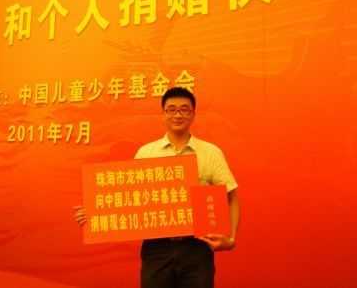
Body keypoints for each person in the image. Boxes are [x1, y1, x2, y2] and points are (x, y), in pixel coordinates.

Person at [74, 87, 240, 288]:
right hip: (157, 248)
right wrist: (96, 212)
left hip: (197, 247)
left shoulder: (210, 152)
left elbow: (232, 196)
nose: (178, 114)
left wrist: (231, 239)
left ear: (193, 114)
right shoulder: (146, 153)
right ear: (163, 114)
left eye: (184, 109)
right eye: (171, 109)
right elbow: (128, 198)